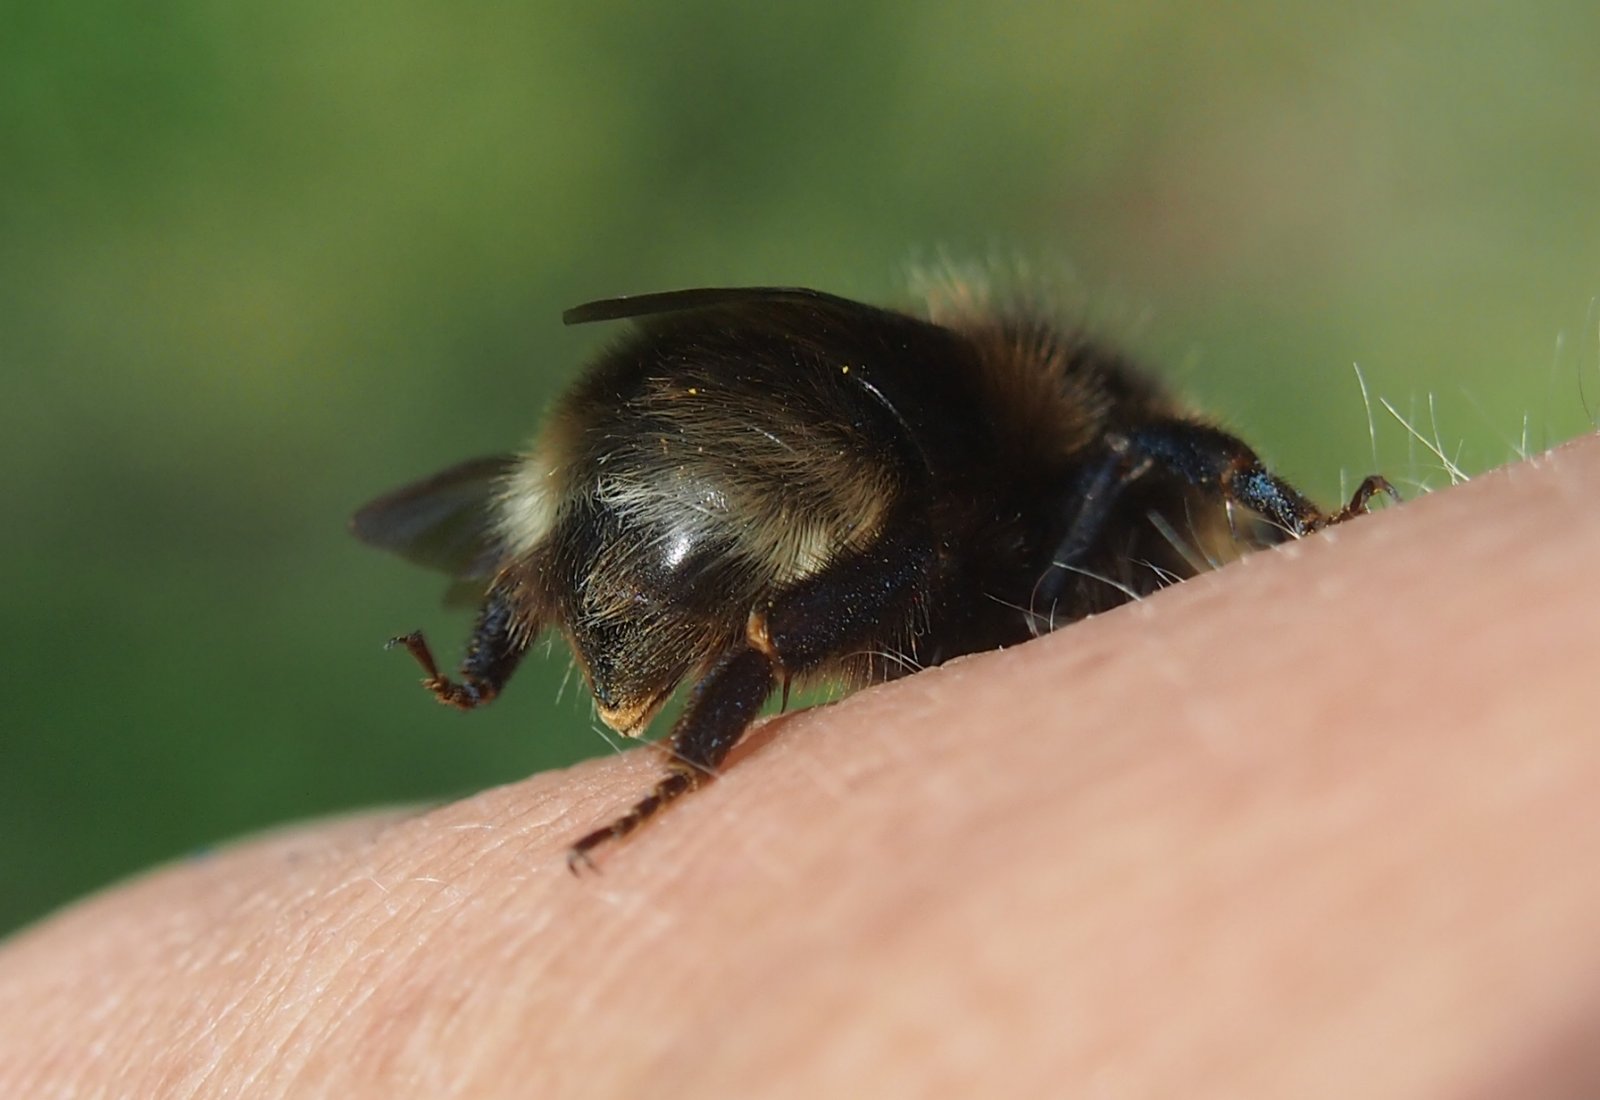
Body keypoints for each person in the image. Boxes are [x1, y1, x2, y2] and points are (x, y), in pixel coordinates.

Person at [3, 436, 1598, 1097]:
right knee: (907, 540)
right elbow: (1125, 466)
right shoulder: (1055, 467)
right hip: (737, 460)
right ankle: (696, 766)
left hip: (657, 459)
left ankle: (498, 683)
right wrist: (1298, 529)